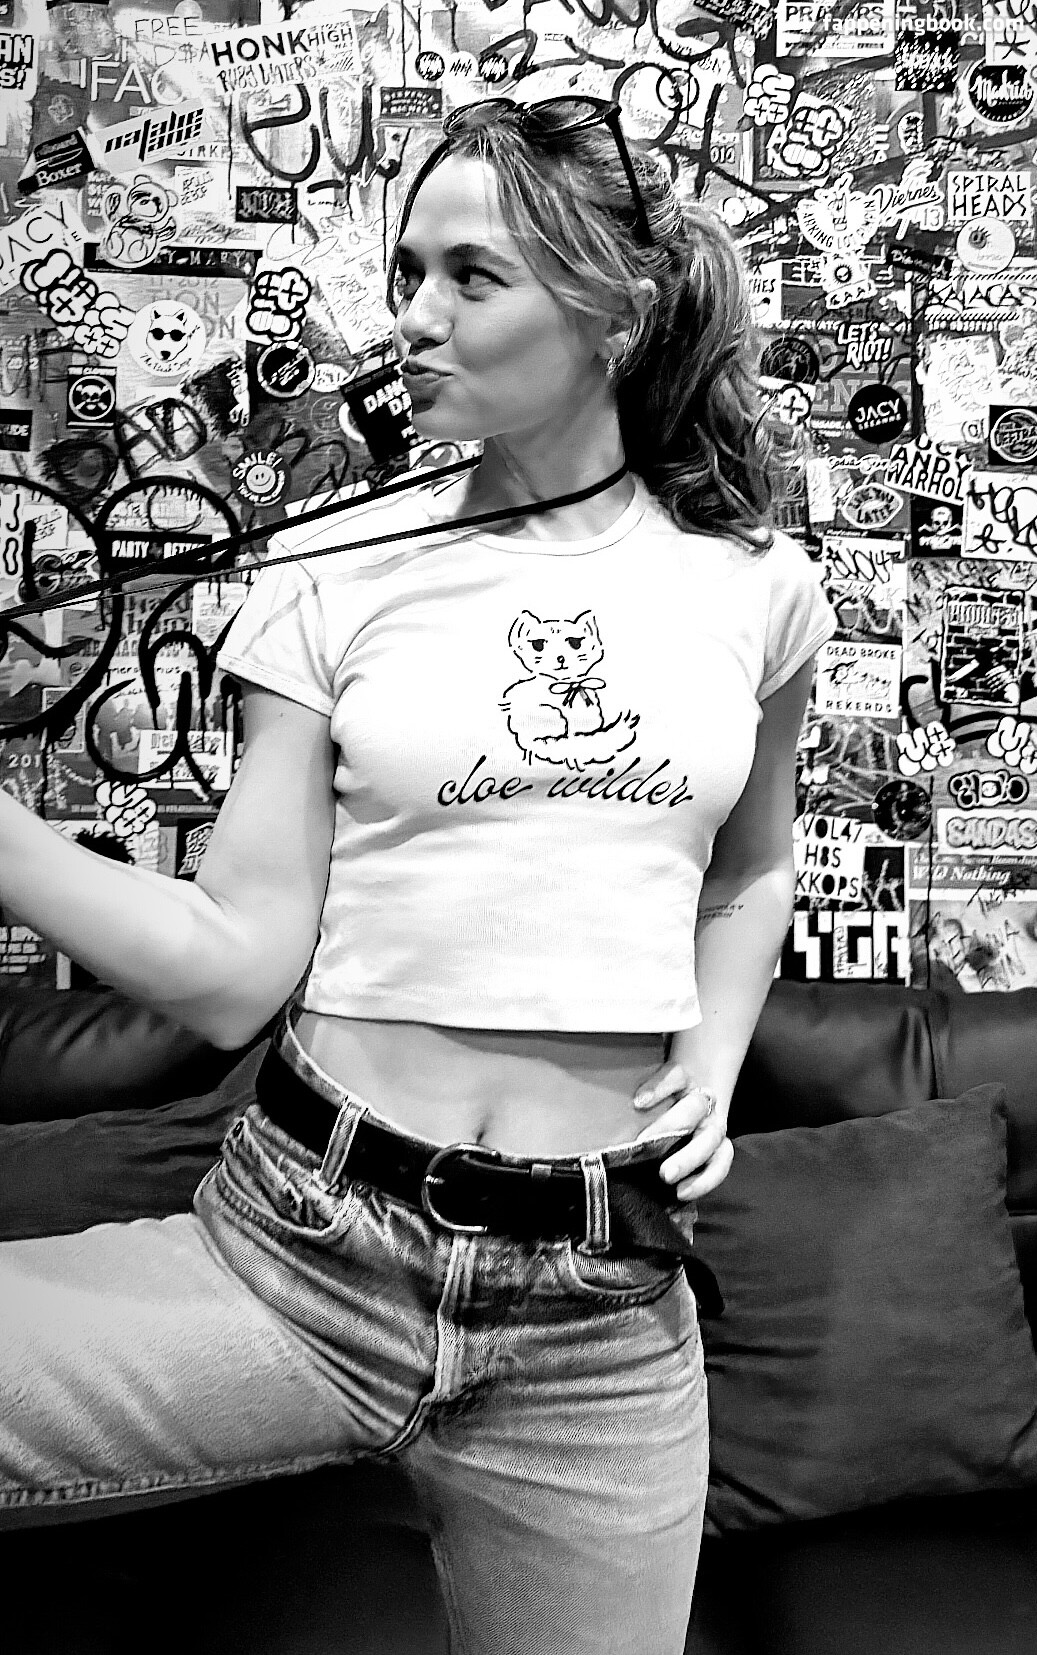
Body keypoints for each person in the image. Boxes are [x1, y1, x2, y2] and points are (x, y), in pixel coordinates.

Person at [0, 99, 837, 1653]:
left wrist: (714, 1063)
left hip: (599, 1315)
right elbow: (236, 964)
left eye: (471, 276)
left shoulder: (759, 591)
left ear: (612, 310)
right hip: (305, 1250)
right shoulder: (333, 571)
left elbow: (753, 863)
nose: (412, 317)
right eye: (405, 272)